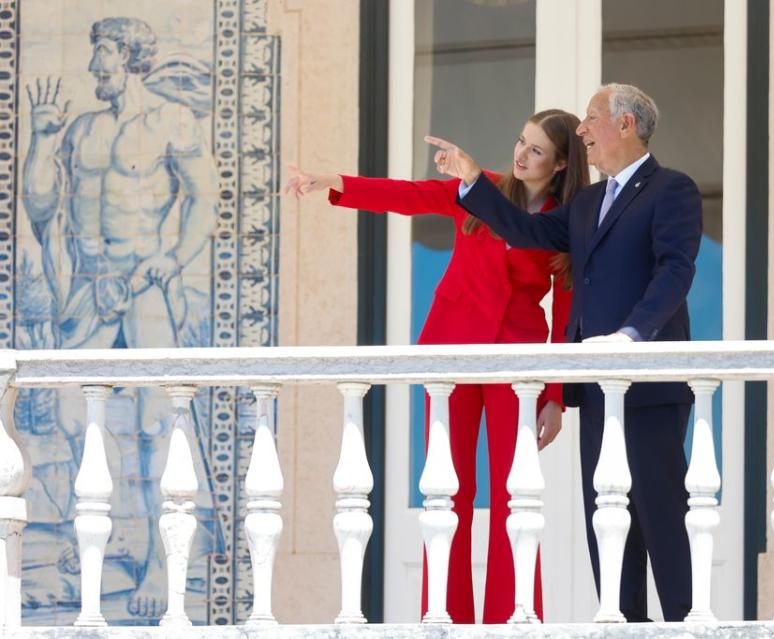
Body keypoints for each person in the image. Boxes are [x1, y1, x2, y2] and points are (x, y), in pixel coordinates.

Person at [284, 109, 589, 623]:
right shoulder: (482, 188)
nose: (521, 154)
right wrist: (333, 182)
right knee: (449, 493)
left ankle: (512, 620)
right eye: (520, 141)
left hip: (517, 362)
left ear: (560, 165)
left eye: (536, 150)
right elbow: (410, 196)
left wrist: (555, 393)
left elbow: (564, 311)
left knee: (515, 497)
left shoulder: (564, 224)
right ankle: (443, 618)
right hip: (449, 355)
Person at [426, 83, 703, 622]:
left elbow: (676, 270)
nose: (581, 130)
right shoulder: (586, 203)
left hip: (648, 383)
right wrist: (471, 181)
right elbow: (524, 228)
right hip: (595, 389)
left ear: (626, 125)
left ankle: (685, 629)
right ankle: (621, 628)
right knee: (609, 524)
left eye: (592, 119)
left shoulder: (672, 189)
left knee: (661, 519)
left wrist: (632, 335)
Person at [21, 17, 217, 618]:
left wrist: (170, 257)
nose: (93, 69)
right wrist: (42, 139)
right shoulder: (80, 130)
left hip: (146, 286)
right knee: (81, 426)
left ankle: (160, 561)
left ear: (130, 58)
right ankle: (97, 535)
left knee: (160, 426)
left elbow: (205, 199)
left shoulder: (171, 121)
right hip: (88, 290)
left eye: (102, 56)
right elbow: (40, 208)